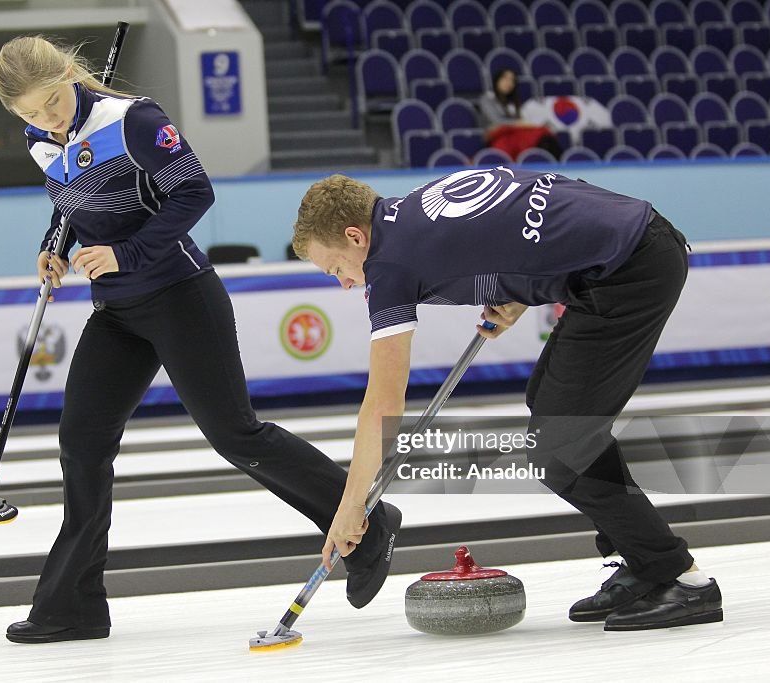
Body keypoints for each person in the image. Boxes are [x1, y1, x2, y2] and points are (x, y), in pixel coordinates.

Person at [0, 36, 401, 644]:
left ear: (71, 77)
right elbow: (74, 204)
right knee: (80, 440)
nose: (46, 120)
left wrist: (125, 251)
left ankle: (367, 522)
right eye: (30, 114)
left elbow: (195, 192)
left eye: (52, 103)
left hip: (181, 296)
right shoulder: (39, 142)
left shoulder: (132, 120)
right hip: (117, 311)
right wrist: (54, 247)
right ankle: (74, 605)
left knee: (235, 434)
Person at [291, 169, 724, 631]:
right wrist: (520, 290)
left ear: (355, 237)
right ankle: (644, 561)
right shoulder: (415, 207)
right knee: (557, 424)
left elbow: (382, 403)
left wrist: (350, 506)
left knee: (560, 445)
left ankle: (682, 580)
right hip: (631, 248)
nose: (344, 283)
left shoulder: (389, 265)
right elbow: (519, 213)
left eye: (336, 268)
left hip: (627, 269)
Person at [478, 68, 562, 160]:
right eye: (505, 79)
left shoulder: (513, 102)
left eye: (512, 80)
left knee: (544, 136)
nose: (509, 83)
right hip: (496, 138)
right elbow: (497, 122)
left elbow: (519, 120)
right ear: (497, 80)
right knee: (537, 133)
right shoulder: (487, 99)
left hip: (515, 135)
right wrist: (521, 124)